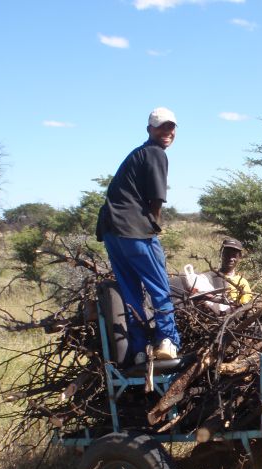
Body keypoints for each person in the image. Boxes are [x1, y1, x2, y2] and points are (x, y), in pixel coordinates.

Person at [95, 107, 181, 363]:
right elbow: (156, 200)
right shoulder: (155, 153)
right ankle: (168, 340)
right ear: (149, 130)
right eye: (161, 127)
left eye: (171, 127)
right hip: (134, 230)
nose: (167, 132)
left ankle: (139, 348)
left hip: (112, 231)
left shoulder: (137, 154)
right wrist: (155, 226)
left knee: (131, 291)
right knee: (159, 286)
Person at [218, 238, 252, 305]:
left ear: (239, 257)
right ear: (222, 255)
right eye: (227, 254)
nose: (230, 258)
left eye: (234, 255)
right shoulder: (209, 277)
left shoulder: (242, 282)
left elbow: (244, 306)